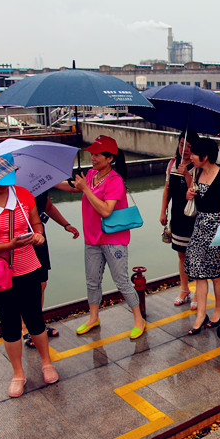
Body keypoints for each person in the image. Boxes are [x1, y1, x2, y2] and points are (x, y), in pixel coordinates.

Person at [0, 155, 59, 398]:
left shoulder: (23, 195)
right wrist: (10, 245)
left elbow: (36, 223)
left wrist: (38, 235)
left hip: (29, 267)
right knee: (9, 324)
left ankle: (47, 363)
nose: (4, 186)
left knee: (35, 318)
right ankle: (18, 373)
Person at [54, 135, 145, 339]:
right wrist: (50, 182)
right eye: (92, 154)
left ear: (110, 158)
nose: (92, 158)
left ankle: (139, 319)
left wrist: (85, 189)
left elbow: (105, 210)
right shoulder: (91, 174)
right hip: (92, 238)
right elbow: (73, 187)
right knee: (92, 281)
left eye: (97, 155)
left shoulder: (115, 180)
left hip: (113, 239)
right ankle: (93, 317)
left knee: (121, 281)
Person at [184, 137, 220, 335]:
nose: (191, 157)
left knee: (215, 273)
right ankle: (200, 315)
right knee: (198, 272)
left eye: (194, 154)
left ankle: (217, 310)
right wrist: (189, 194)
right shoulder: (196, 172)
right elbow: (194, 195)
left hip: (218, 226)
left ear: (204, 156)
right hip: (199, 226)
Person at [22, 192, 79, 348]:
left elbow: (48, 206)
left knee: (41, 284)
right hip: (21, 239)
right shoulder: (14, 191)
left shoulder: (37, 186)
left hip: (39, 236)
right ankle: (25, 328)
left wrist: (66, 225)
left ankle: (37, 323)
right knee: (25, 286)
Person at [160, 132, 200, 309]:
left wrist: (186, 175)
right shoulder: (172, 164)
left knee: (196, 254)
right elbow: (167, 190)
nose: (185, 149)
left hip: (194, 215)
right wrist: (163, 212)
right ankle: (184, 289)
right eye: (182, 144)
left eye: (189, 146)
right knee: (181, 254)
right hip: (177, 214)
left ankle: (199, 291)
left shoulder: (198, 166)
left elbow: (197, 191)